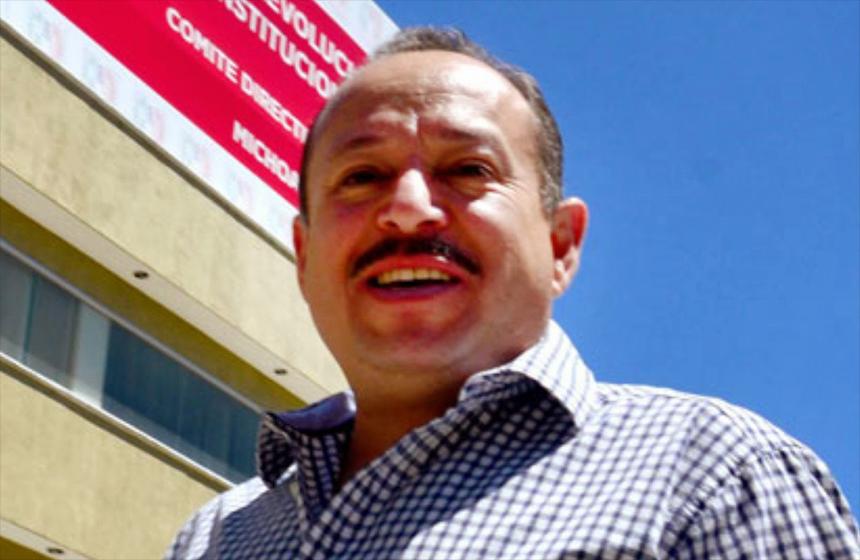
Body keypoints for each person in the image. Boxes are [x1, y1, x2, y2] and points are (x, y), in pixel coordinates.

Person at [167, 27, 859, 559]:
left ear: (561, 246)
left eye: (467, 169)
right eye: (362, 176)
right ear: (304, 254)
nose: (407, 210)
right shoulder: (216, 538)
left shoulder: (717, 478)